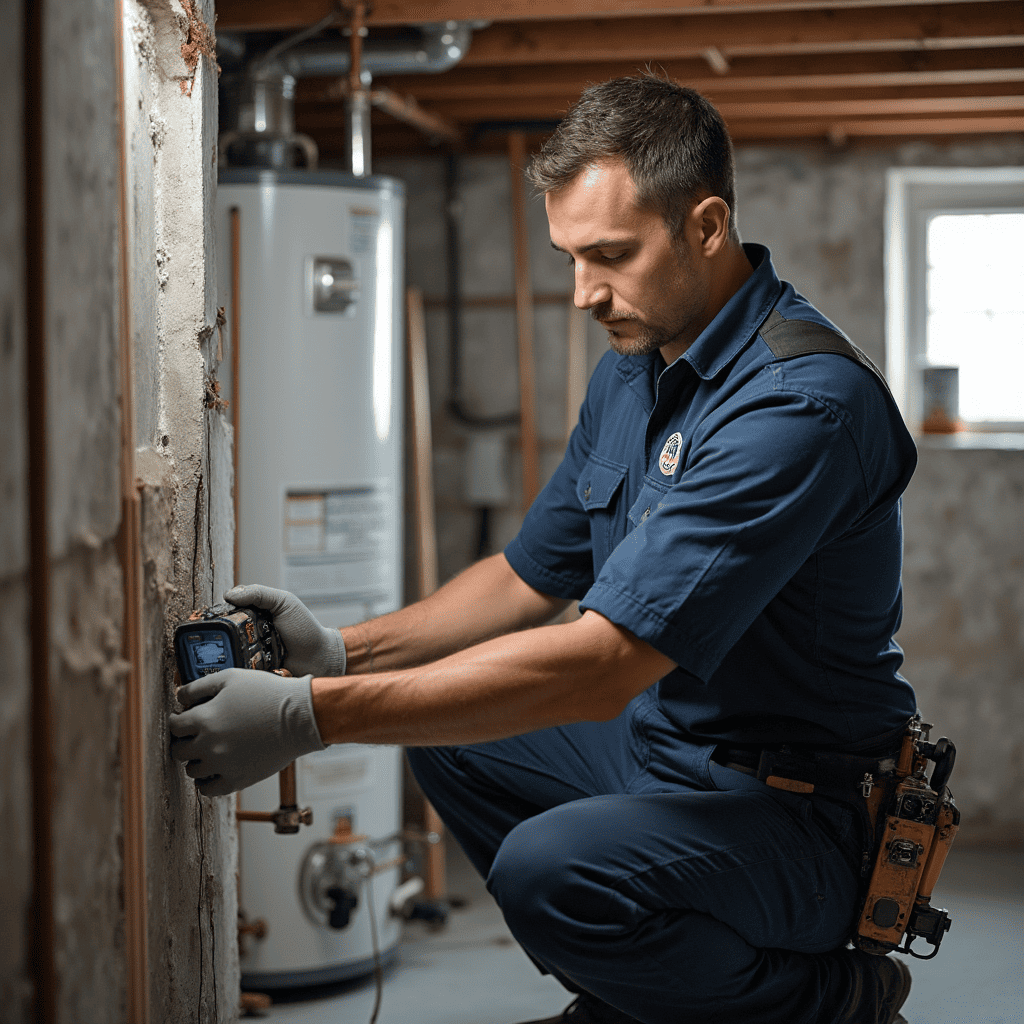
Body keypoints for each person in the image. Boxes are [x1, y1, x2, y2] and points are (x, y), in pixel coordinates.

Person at [170, 76, 920, 1024]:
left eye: (610, 255)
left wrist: (309, 717)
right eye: (569, 257)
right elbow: (528, 577)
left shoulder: (801, 405)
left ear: (707, 224)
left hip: (801, 813)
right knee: (450, 739)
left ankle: (829, 1001)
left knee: (547, 870)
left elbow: (606, 664)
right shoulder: (636, 368)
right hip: (668, 750)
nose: (582, 294)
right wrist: (345, 653)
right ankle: (645, 995)